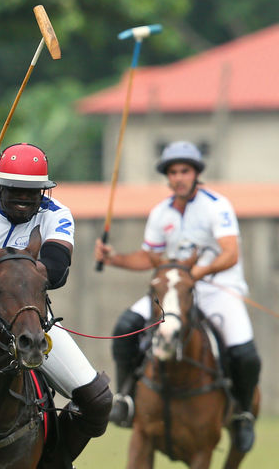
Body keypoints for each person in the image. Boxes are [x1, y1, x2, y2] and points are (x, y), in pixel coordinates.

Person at [0, 143, 113, 469]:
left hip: (27, 320)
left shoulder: (57, 214)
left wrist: (11, 269)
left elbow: (55, 269)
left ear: (44, 189)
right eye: (15, 191)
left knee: (97, 401)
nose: (24, 200)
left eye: (32, 192)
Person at [94, 140, 261, 452]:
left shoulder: (216, 205)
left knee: (245, 354)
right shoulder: (161, 213)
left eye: (185, 170)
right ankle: (125, 398)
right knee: (124, 327)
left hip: (217, 288)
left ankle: (241, 415)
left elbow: (231, 254)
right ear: (167, 177)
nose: (179, 177)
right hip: (173, 290)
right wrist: (113, 258)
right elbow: (151, 258)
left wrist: (195, 274)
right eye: (173, 172)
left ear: (195, 173)